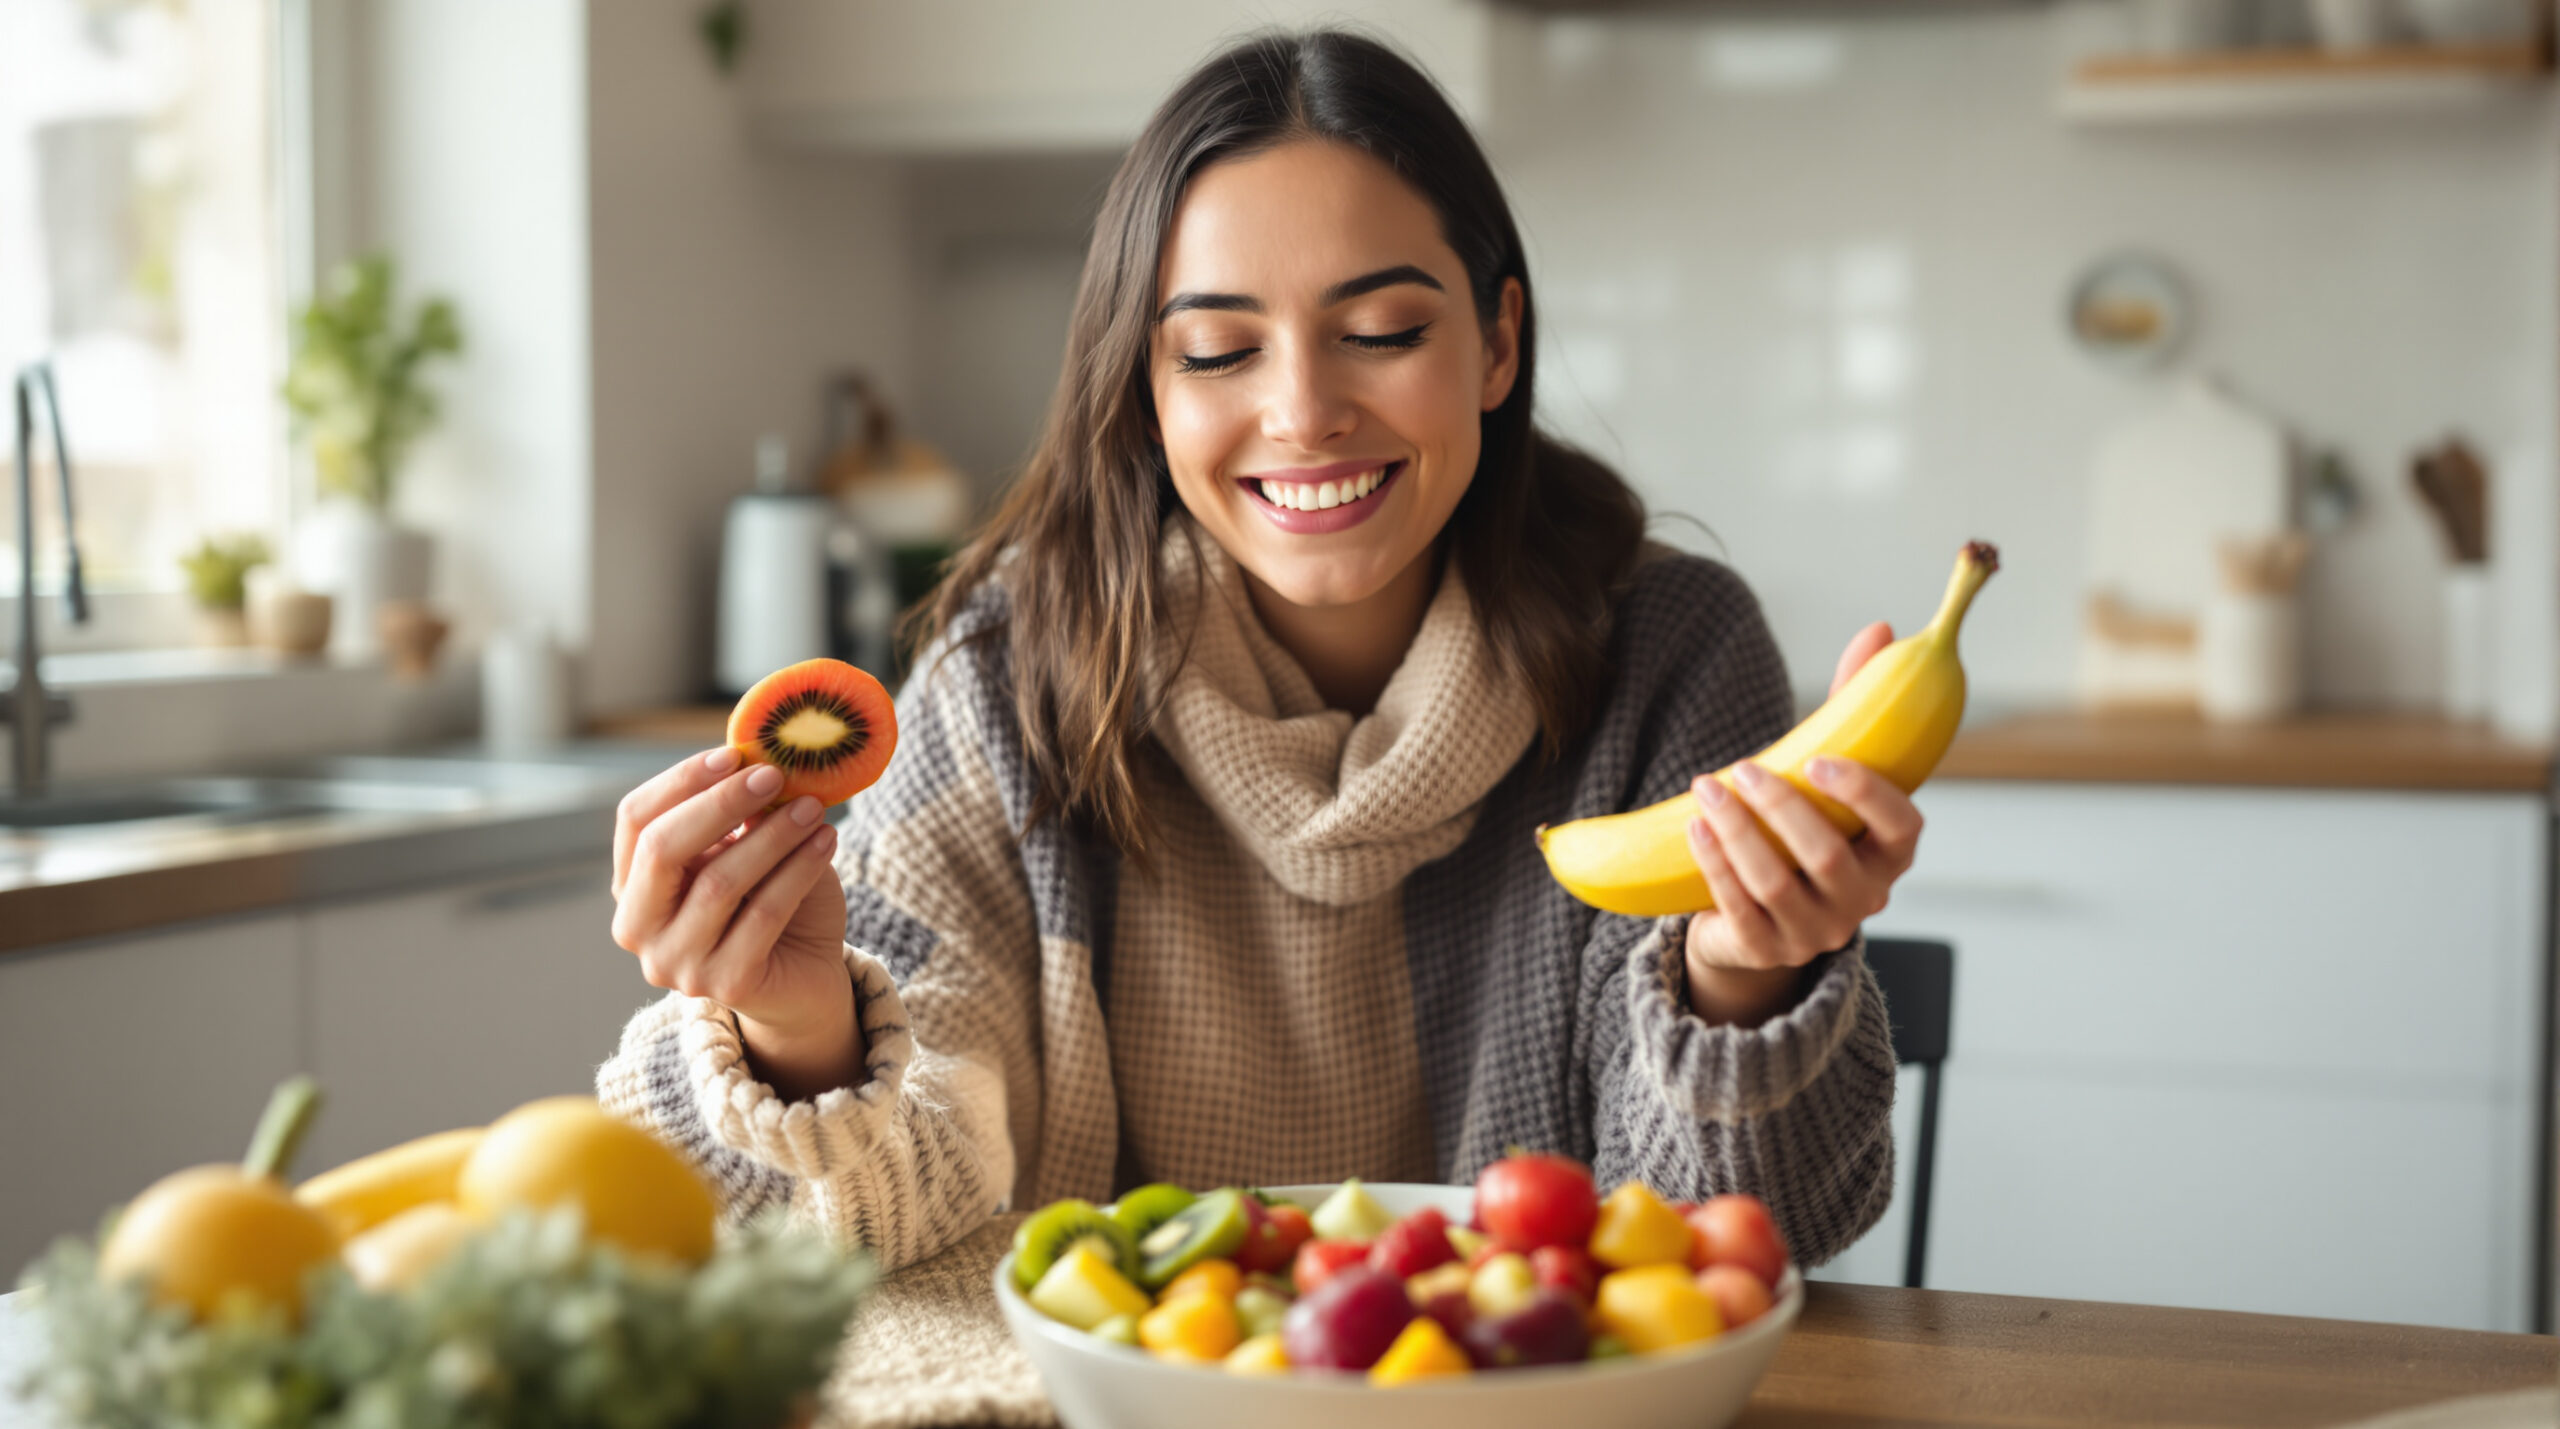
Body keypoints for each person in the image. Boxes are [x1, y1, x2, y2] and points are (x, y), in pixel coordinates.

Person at [597, 29, 1914, 1276]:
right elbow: (891, 1218)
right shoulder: (1010, 678)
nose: (1302, 412)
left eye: (1385, 331)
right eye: (1219, 349)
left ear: (1499, 339)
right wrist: (800, 1027)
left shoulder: (1670, 657)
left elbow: (1732, 1240)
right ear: (1145, 389)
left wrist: (1745, 977)